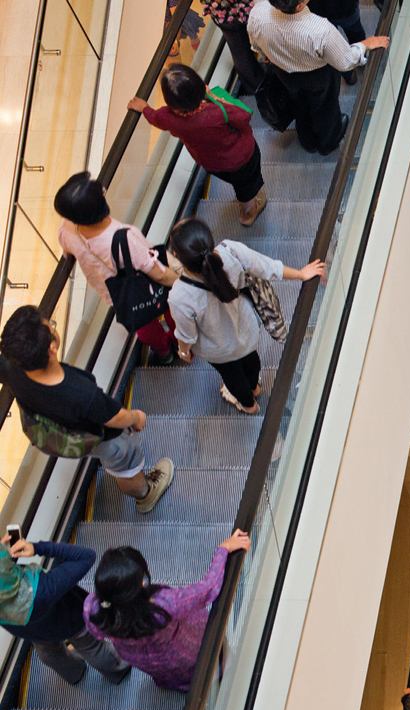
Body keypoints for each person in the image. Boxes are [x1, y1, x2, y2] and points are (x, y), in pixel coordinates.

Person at [0, 306, 174, 513]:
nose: (52, 325)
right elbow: (115, 418)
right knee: (126, 467)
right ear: (51, 348)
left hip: (74, 434)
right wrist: (136, 417)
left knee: (114, 461)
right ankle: (145, 494)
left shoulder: (12, 369)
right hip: (108, 438)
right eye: (50, 324)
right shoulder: (80, 393)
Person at [166, 218, 326, 414]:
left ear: (176, 256)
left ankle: (249, 406)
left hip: (218, 350)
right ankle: (256, 388)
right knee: (251, 360)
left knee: (232, 376)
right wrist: (301, 274)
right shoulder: (231, 252)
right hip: (247, 330)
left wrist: (183, 353)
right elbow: (268, 267)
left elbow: (187, 336)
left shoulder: (179, 296)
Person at [84, 529, 250, 691]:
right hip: (183, 649)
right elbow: (208, 589)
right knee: (206, 659)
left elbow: (98, 634)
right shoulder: (162, 605)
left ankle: (181, 686)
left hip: (139, 658)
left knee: (170, 674)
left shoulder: (93, 609)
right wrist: (224, 549)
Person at [54, 172, 180, 364]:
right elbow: (159, 274)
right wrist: (185, 282)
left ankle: (163, 352)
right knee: (174, 306)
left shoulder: (67, 230)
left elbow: (68, 251)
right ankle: (180, 341)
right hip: (147, 283)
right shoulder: (124, 238)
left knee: (143, 323)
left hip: (118, 294)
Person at [129, 65, 268, 227]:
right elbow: (244, 116)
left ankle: (247, 204)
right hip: (241, 158)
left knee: (237, 182)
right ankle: (247, 214)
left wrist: (144, 108)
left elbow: (154, 117)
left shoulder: (168, 117)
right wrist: (214, 98)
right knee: (246, 186)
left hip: (211, 163)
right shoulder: (216, 112)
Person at [247, 0, 389, 154]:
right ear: (300, 5)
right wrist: (366, 44)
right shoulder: (320, 30)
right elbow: (346, 61)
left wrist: (265, 54)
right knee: (325, 106)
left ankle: (307, 140)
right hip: (318, 75)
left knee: (298, 103)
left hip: (283, 71)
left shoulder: (258, 13)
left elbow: (255, 43)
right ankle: (328, 142)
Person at [0, 534, 130, 685]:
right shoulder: (45, 587)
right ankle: (117, 671)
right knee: (92, 648)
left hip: (36, 633)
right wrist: (38, 548)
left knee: (50, 654)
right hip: (72, 621)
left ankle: (75, 673)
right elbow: (87, 556)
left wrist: (3, 554)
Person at [204, 0, 264, 91]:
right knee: (243, 56)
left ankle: (256, 86)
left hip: (222, 14)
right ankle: (258, 87)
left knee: (240, 51)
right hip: (236, 13)